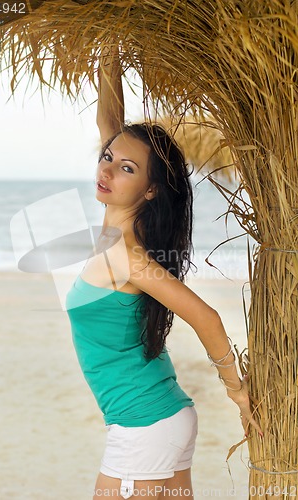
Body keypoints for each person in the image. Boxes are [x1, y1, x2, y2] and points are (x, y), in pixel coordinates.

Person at [66, 41, 262, 499]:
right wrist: (108, 46)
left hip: (144, 429)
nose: (108, 169)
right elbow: (110, 125)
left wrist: (237, 391)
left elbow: (206, 317)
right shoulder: (115, 233)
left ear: (151, 190)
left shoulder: (129, 258)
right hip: (160, 421)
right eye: (107, 159)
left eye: (126, 168)